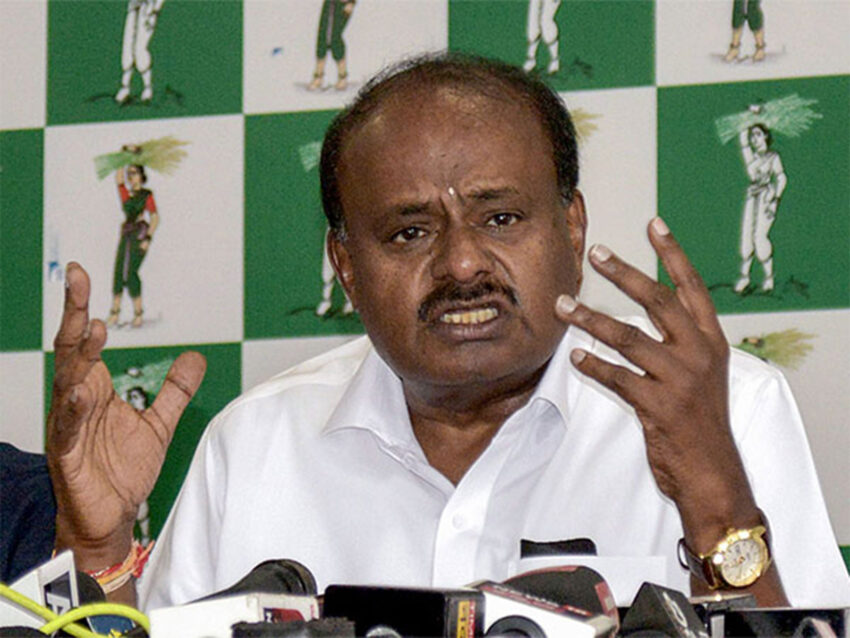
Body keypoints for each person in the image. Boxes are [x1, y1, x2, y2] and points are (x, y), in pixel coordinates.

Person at [47, 54, 850, 611]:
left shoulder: (725, 410)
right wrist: (96, 553)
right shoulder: (254, 445)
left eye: (501, 218)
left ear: (572, 229)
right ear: (346, 265)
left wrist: (715, 504)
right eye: (409, 233)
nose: (463, 263)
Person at [734, 123, 786, 294]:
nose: (753, 138)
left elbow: (781, 178)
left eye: (757, 134)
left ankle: (769, 277)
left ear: (765, 136)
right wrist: (750, 117)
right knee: (746, 237)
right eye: (752, 135)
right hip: (752, 197)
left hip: (766, 198)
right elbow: (743, 140)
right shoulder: (750, 156)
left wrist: (775, 199)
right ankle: (745, 277)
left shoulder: (773, 157)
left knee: (760, 237)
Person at [108, 153, 158, 328]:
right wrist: (123, 157)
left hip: (139, 236)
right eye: (129, 173)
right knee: (118, 272)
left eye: (134, 173)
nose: (131, 176)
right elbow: (119, 180)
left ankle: (138, 314)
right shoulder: (126, 195)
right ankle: (114, 313)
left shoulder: (146, 195)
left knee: (131, 274)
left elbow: (155, 217)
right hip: (126, 236)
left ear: (141, 176)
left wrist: (148, 238)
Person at [115, 0, 165, 103]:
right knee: (128, 47)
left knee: (139, 49)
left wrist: (155, 10)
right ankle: (125, 87)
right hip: (133, 7)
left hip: (148, 10)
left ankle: (147, 87)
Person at [308, 0, 356, 91]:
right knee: (322, 37)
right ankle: (318, 76)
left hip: (343, 4)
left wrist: (351, 2)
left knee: (335, 38)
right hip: (329, 3)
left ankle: (342, 77)